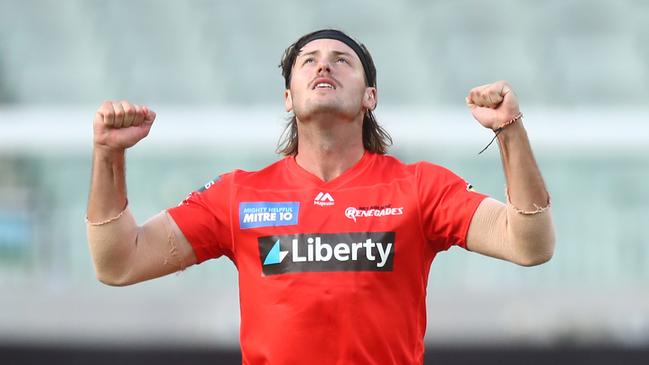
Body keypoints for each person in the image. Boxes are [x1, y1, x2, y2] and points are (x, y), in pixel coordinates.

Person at [86, 29, 554, 365]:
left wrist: (510, 133)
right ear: (288, 97)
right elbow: (119, 262)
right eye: (308, 61)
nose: (324, 65)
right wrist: (109, 156)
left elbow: (529, 244)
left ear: (370, 96)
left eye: (341, 60)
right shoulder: (238, 194)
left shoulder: (420, 187)